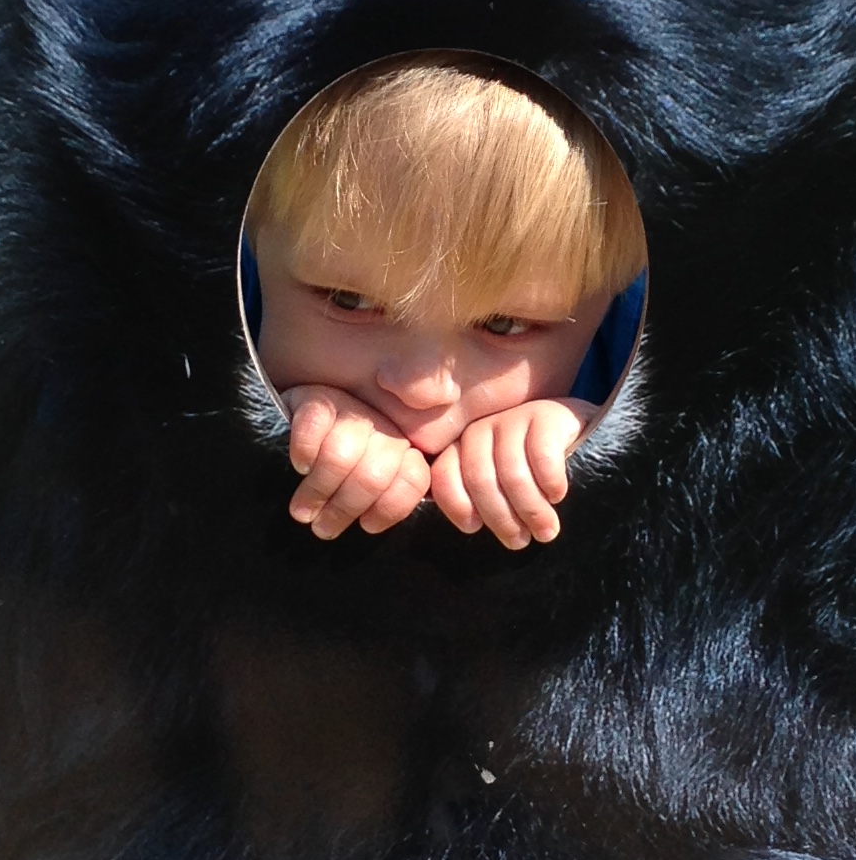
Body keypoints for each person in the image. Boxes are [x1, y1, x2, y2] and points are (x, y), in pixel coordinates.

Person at [241, 54, 647, 550]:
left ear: (609, 302)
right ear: (255, 243)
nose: (421, 389)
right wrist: (267, 428)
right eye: (349, 300)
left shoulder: (629, 335)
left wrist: (597, 432)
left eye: (503, 325)